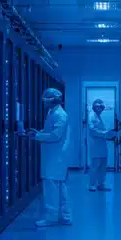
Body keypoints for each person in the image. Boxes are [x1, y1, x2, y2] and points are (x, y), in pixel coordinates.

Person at [27, 87, 72, 227]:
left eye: (46, 100)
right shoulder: (52, 112)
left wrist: (37, 136)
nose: (44, 102)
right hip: (54, 155)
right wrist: (39, 132)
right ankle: (66, 216)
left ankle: (51, 218)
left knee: (51, 186)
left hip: (55, 157)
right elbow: (50, 131)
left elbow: (55, 135)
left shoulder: (60, 115)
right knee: (59, 185)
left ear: (53, 101)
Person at [86, 99, 118, 191]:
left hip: (102, 145)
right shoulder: (91, 115)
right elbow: (92, 130)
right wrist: (105, 133)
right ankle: (91, 185)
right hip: (95, 145)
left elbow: (100, 131)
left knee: (103, 166)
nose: (101, 109)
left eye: (102, 107)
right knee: (95, 165)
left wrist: (108, 135)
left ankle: (101, 184)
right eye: (99, 107)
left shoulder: (98, 116)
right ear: (95, 107)